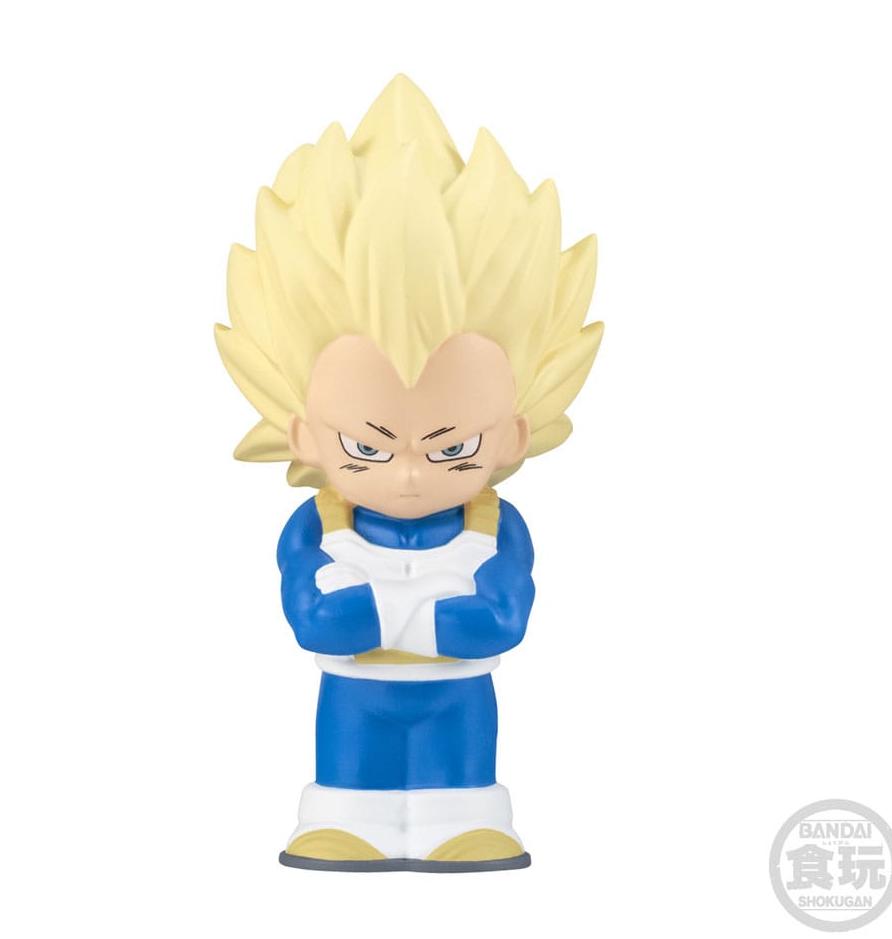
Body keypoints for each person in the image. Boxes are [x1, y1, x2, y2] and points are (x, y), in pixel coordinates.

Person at [216, 75, 603, 871]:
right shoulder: (316, 525)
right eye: (368, 447)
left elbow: (499, 622)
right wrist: (430, 611)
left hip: (459, 700)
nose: (409, 477)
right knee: (348, 782)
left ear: (513, 435)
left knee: (462, 784)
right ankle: (349, 824)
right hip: (352, 702)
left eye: (451, 448)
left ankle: (460, 823)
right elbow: (318, 623)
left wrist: (382, 611)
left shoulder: (496, 526)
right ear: (303, 434)